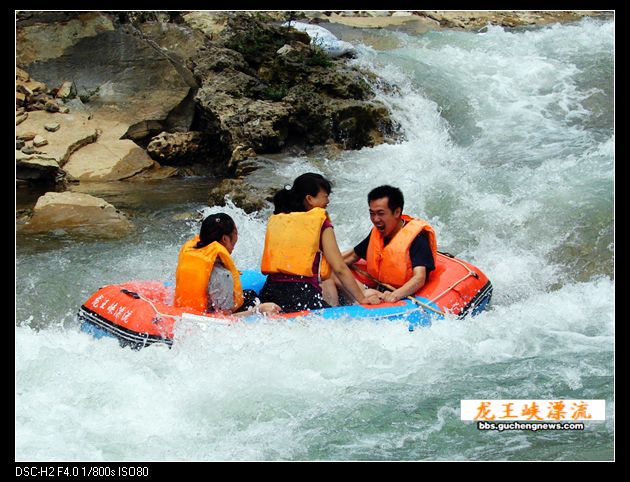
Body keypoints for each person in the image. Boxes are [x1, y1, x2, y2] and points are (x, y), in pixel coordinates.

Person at [259, 173, 381, 312]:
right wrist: (362, 299)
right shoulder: (321, 222)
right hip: (302, 295)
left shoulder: (278, 220)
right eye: (325, 196)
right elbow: (339, 267)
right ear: (310, 199)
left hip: (270, 292)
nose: (328, 201)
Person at [342, 185, 437, 303]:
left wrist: (395, 295)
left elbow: (419, 278)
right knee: (332, 273)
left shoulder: (417, 237)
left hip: (400, 294)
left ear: (397, 212)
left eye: (380, 213)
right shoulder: (377, 232)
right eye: (372, 213)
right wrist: (322, 264)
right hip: (376, 289)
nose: (375, 219)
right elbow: (351, 256)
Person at [175, 213, 280, 317]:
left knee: (248, 293)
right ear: (225, 239)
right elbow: (224, 319)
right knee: (254, 300)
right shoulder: (222, 275)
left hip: (189, 310)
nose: (236, 238)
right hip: (208, 319)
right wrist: (258, 309)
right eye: (235, 233)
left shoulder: (191, 255)